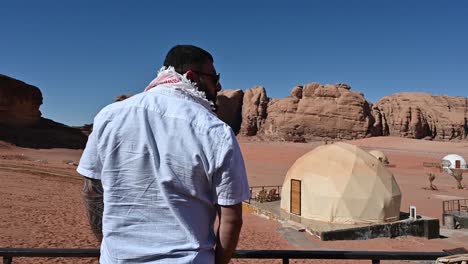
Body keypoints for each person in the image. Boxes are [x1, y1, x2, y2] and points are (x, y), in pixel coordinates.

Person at [78, 45, 250, 264]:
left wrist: (111, 247)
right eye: (214, 77)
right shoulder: (215, 131)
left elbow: (93, 193)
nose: (219, 85)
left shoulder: (109, 116)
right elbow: (231, 219)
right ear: (191, 76)